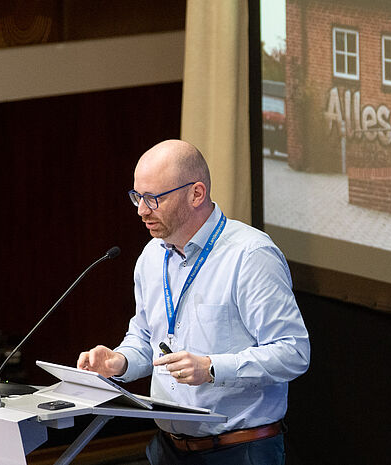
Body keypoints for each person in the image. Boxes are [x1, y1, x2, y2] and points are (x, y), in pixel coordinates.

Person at [77, 139, 310, 464]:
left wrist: (212, 368)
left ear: (196, 193)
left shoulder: (250, 255)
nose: (141, 210)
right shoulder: (151, 256)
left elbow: (293, 352)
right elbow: (146, 339)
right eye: (137, 197)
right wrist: (120, 361)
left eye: (153, 198)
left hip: (239, 450)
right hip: (168, 449)